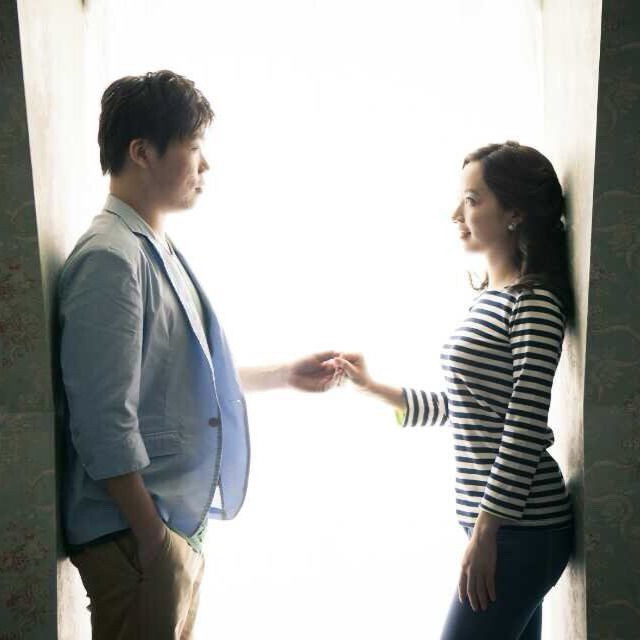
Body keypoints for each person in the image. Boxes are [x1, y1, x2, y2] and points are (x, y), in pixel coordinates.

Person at [58, 70, 338, 640]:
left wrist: (285, 374)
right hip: (135, 536)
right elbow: (103, 421)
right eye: (194, 147)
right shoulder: (111, 257)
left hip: (166, 530)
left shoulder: (152, 245)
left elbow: (177, 379)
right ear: (142, 152)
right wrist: (153, 540)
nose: (205, 165)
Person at [334, 141, 574, 640]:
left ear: (514, 212)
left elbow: (525, 425)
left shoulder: (534, 304)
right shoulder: (492, 299)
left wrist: (486, 532)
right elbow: (466, 406)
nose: (455, 214)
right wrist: (372, 388)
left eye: (472, 199)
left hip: (521, 530)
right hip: (503, 527)